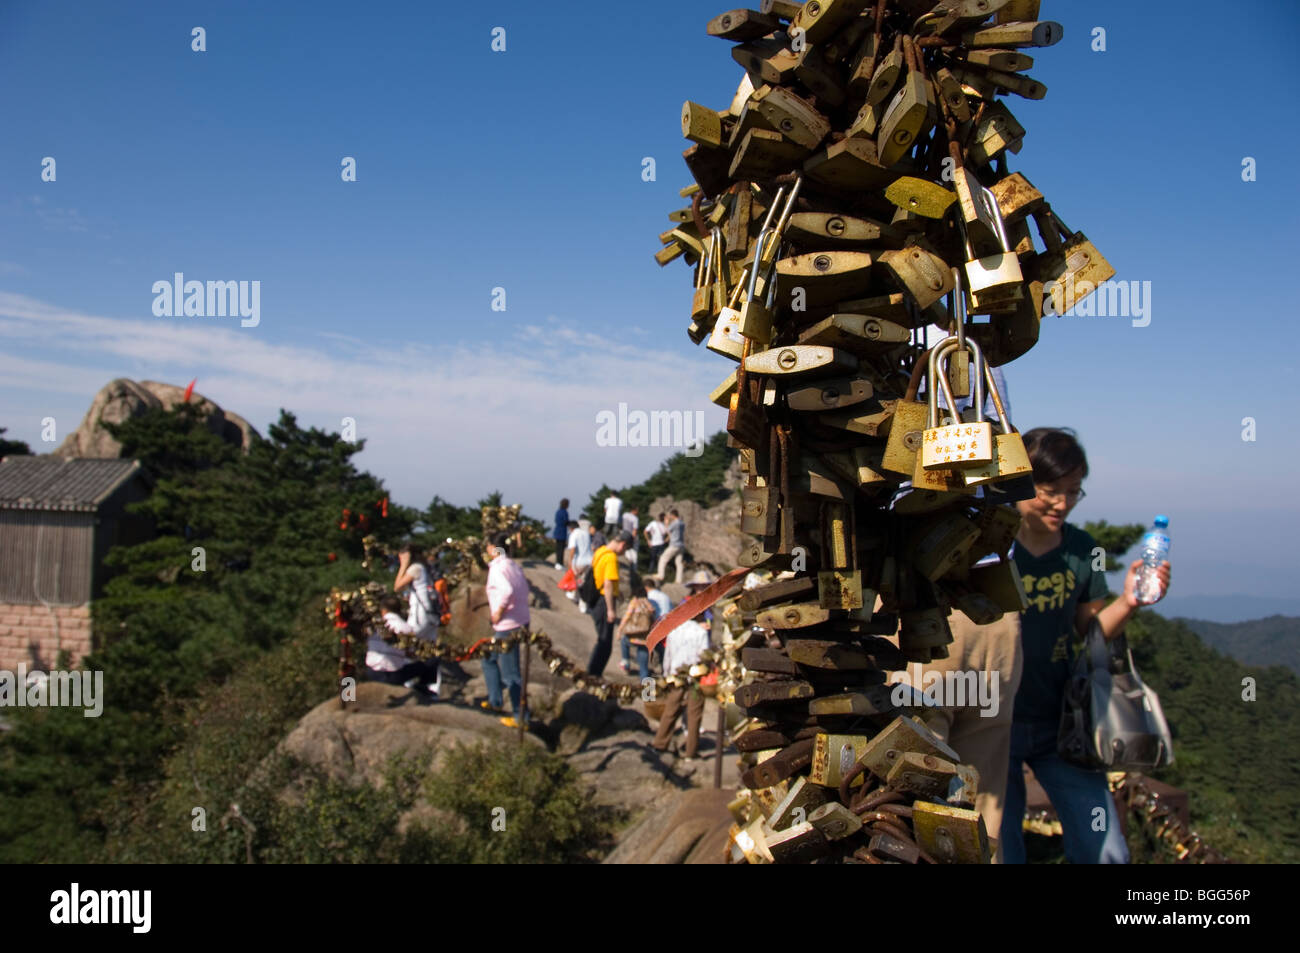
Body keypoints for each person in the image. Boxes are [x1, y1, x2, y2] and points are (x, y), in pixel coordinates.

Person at [1000, 427, 1172, 865]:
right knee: (1001, 851)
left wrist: (1130, 601)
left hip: (1062, 722)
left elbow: (1089, 630)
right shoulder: (991, 545)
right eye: (1049, 490)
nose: (1062, 503)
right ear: (1019, 481)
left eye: (1074, 492)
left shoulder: (1082, 550)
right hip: (992, 720)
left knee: (1107, 851)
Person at [484, 531, 531, 728]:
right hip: (520, 620)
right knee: (489, 658)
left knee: (511, 673)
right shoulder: (512, 565)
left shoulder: (497, 568)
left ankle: (521, 717)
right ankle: (495, 700)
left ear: (493, 549)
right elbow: (524, 589)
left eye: (487, 546)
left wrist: (498, 612)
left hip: (507, 624)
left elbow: (507, 591)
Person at [651, 608, 712, 761]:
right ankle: (690, 751)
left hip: (676, 675)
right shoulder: (701, 632)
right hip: (694, 676)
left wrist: (666, 675)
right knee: (694, 714)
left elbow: (668, 655)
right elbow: (704, 655)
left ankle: (660, 743)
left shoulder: (674, 631)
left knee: (671, 710)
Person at [365, 595, 440, 695]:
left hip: (371, 673)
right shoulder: (405, 628)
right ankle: (423, 686)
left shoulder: (373, 626)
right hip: (393, 677)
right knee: (433, 658)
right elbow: (412, 653)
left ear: (383, 610)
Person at [393, 544, 441, 695]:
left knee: (407, 645)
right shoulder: (424, 567)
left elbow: (397, 587)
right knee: (430, 649)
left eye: (403, 553)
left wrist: (403, 565)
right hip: (430, 615)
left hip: (420, 615)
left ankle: (406, 682)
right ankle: (430, 685)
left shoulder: (415, 568)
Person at [586, 530, 632, 676]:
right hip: (604, 601)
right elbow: (608, 584)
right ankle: (594, 675)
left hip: (595, 600)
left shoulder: (600, 551)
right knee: (605, 643)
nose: (623, 553)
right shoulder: (611, 558)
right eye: (625, 549)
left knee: (602, 640)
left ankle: (593, 673)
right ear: (623, 544)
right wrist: (611, 610)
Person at [616, 577, 656, 678]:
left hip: (633, 635)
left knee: (624, 641)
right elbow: (653, 615)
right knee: (643, 667)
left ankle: (625, 662)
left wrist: (620, 630)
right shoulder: (649, 604)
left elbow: (627, 616)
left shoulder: (635, 602)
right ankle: (645, 689)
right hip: (645, 639)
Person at [657, 509, 686, 584]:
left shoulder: (675, 523)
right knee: (679, 562)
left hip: (674, 544)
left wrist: (666, 523)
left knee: (663, 558)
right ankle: (679, 580)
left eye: (670, 515)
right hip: (681, 545)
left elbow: (667, 530)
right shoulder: (682, 523)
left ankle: (661, 575)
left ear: (673, 515)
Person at [552, 498, 570, 570]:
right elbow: (566, 521)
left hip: (557, 531)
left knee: (558, 548)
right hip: (562, 532)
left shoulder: (558, 511)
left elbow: (556, 520)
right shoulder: (565, 512)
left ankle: (557, 563)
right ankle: (560, 563)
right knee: (561, 549)